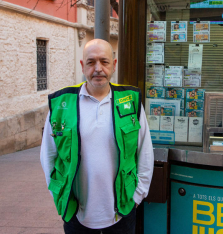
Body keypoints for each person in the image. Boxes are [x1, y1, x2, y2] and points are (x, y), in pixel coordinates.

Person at [40, 39, 154, 234]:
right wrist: (58, 194)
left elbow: (145, 152)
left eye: (104, 61)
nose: (98, 68)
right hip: (77, 215)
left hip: (122, 213)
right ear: (83, 66)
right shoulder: (61, 104)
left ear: (114, 65)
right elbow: (48, 155)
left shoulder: (131, 101)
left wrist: (137, 196)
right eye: (91, 62)